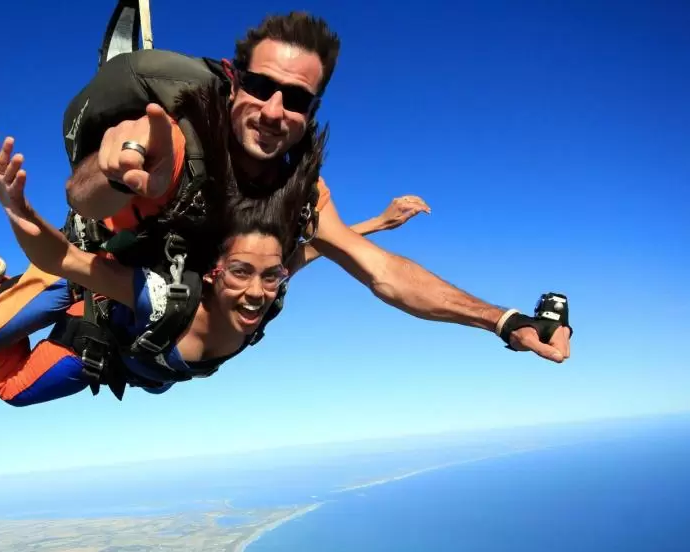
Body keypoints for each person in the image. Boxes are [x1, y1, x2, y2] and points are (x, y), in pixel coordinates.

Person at [60, 10, 572, 360]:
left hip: (194, 304)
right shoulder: (173, 140)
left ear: (313, 111)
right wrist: (114, 172)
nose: (274, 111)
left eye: (297, 99)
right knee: (25, 378)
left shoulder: (300, 189)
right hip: (117, 270)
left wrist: (501, 320)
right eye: (261, 88)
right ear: (234, 84)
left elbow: (383, 273)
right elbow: (82, 196)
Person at [0, 78, 330, 406]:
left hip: (99, 345)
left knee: (9, 387)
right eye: (246, 277)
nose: (257, 292)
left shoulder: (262, 296)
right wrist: (18, 210)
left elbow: (298, 256)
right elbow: (71, 261)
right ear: (216, 275)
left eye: (268, 280)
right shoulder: (169, 301)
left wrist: (370, 227)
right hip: (74, 280)